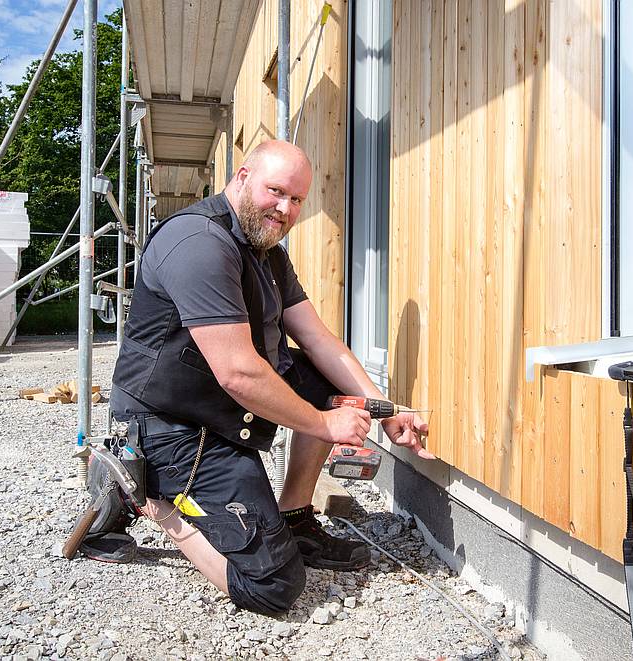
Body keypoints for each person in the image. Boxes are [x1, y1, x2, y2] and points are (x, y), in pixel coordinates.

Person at [108, 139, 431, 615]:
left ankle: (295, 518)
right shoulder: (199, 244)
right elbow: (239, 373)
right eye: (275, 191)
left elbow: (321, 342)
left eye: (296, 199)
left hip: (224, 411)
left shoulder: (268, 252)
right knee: (272, 587)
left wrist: (383, 409)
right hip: (173, 427)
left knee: (328, 383)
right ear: (242, 177)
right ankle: (155, 501)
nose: (284, 208)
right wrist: (324, 425)